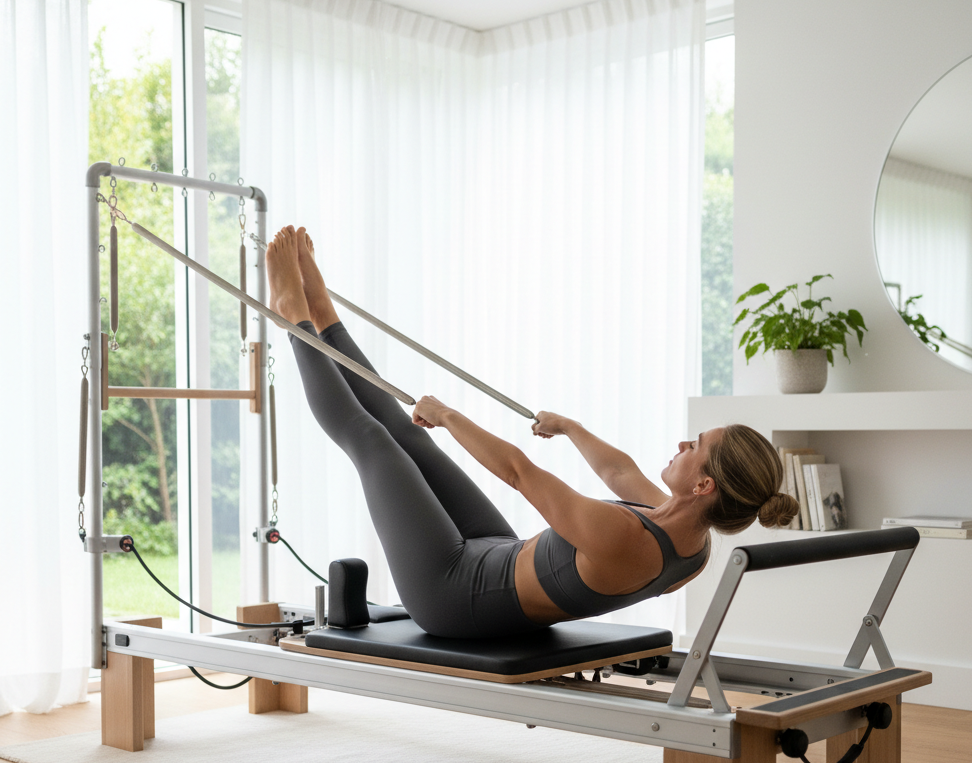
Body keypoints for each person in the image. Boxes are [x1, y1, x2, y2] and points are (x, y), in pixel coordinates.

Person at [266, 226, 800, 639]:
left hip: (452, 593)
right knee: (411, 441)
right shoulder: (691, 540)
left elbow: (521, 473)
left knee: (374, 441)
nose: (684, 444)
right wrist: (570, 427)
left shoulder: (623, 539)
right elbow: (619, 471)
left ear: (704, 485)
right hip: (494, 554)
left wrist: (450, 415)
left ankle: (293, 318)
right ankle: (325, 316)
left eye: (696, 447)